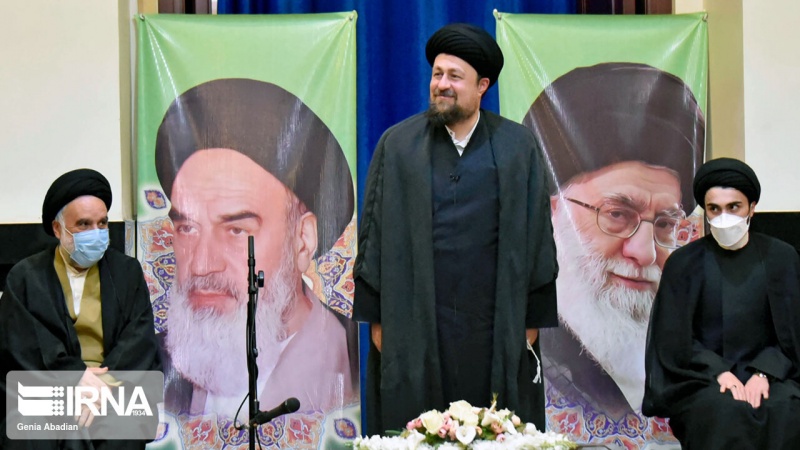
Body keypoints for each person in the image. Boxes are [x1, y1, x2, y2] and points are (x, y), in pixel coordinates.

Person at [354, 23, 558, 435]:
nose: (441, 85)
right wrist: (377, 321)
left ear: (482, 86)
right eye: (437, 74)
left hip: (493, 323)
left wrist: (531, 324)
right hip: (415, 321)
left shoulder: (517, 147)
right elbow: (373, 238)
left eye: (454, 76)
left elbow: (538, 237)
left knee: (497, 426)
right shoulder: (399, 146)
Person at [155, 78, 357, 418]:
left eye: (236, 230)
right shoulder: (154, 360)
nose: (202, 264)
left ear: (302, 240)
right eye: (187, 228)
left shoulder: (353, 359)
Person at [522, 63, 704, 426]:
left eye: (665, 223)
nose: (644, 253)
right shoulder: (524, 352)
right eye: (618, 214)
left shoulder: (685, 348)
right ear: (552, 212)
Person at [643, 157, 800, 449]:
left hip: (771, 374)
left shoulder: (781, 258)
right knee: (721, 412)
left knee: (785, 409)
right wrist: (720, 372)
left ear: (752, 207)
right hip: (702, 377)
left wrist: (763, 372)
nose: (723, 217)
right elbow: (675, 339)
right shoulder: (683, 263)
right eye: (714, 209)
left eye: (733, 207)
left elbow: (792, 335)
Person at [0, 168, 161, 449]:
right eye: (84, 225)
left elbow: (138, 342)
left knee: (123, 427)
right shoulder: (25, 278)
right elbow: (24, 348)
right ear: (57, 229)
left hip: (114, 387)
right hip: (48, 388)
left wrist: (98, 389)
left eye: (102, 223)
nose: (95, 233)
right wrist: (74, 380)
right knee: (32, 428)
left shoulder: (127, 273)